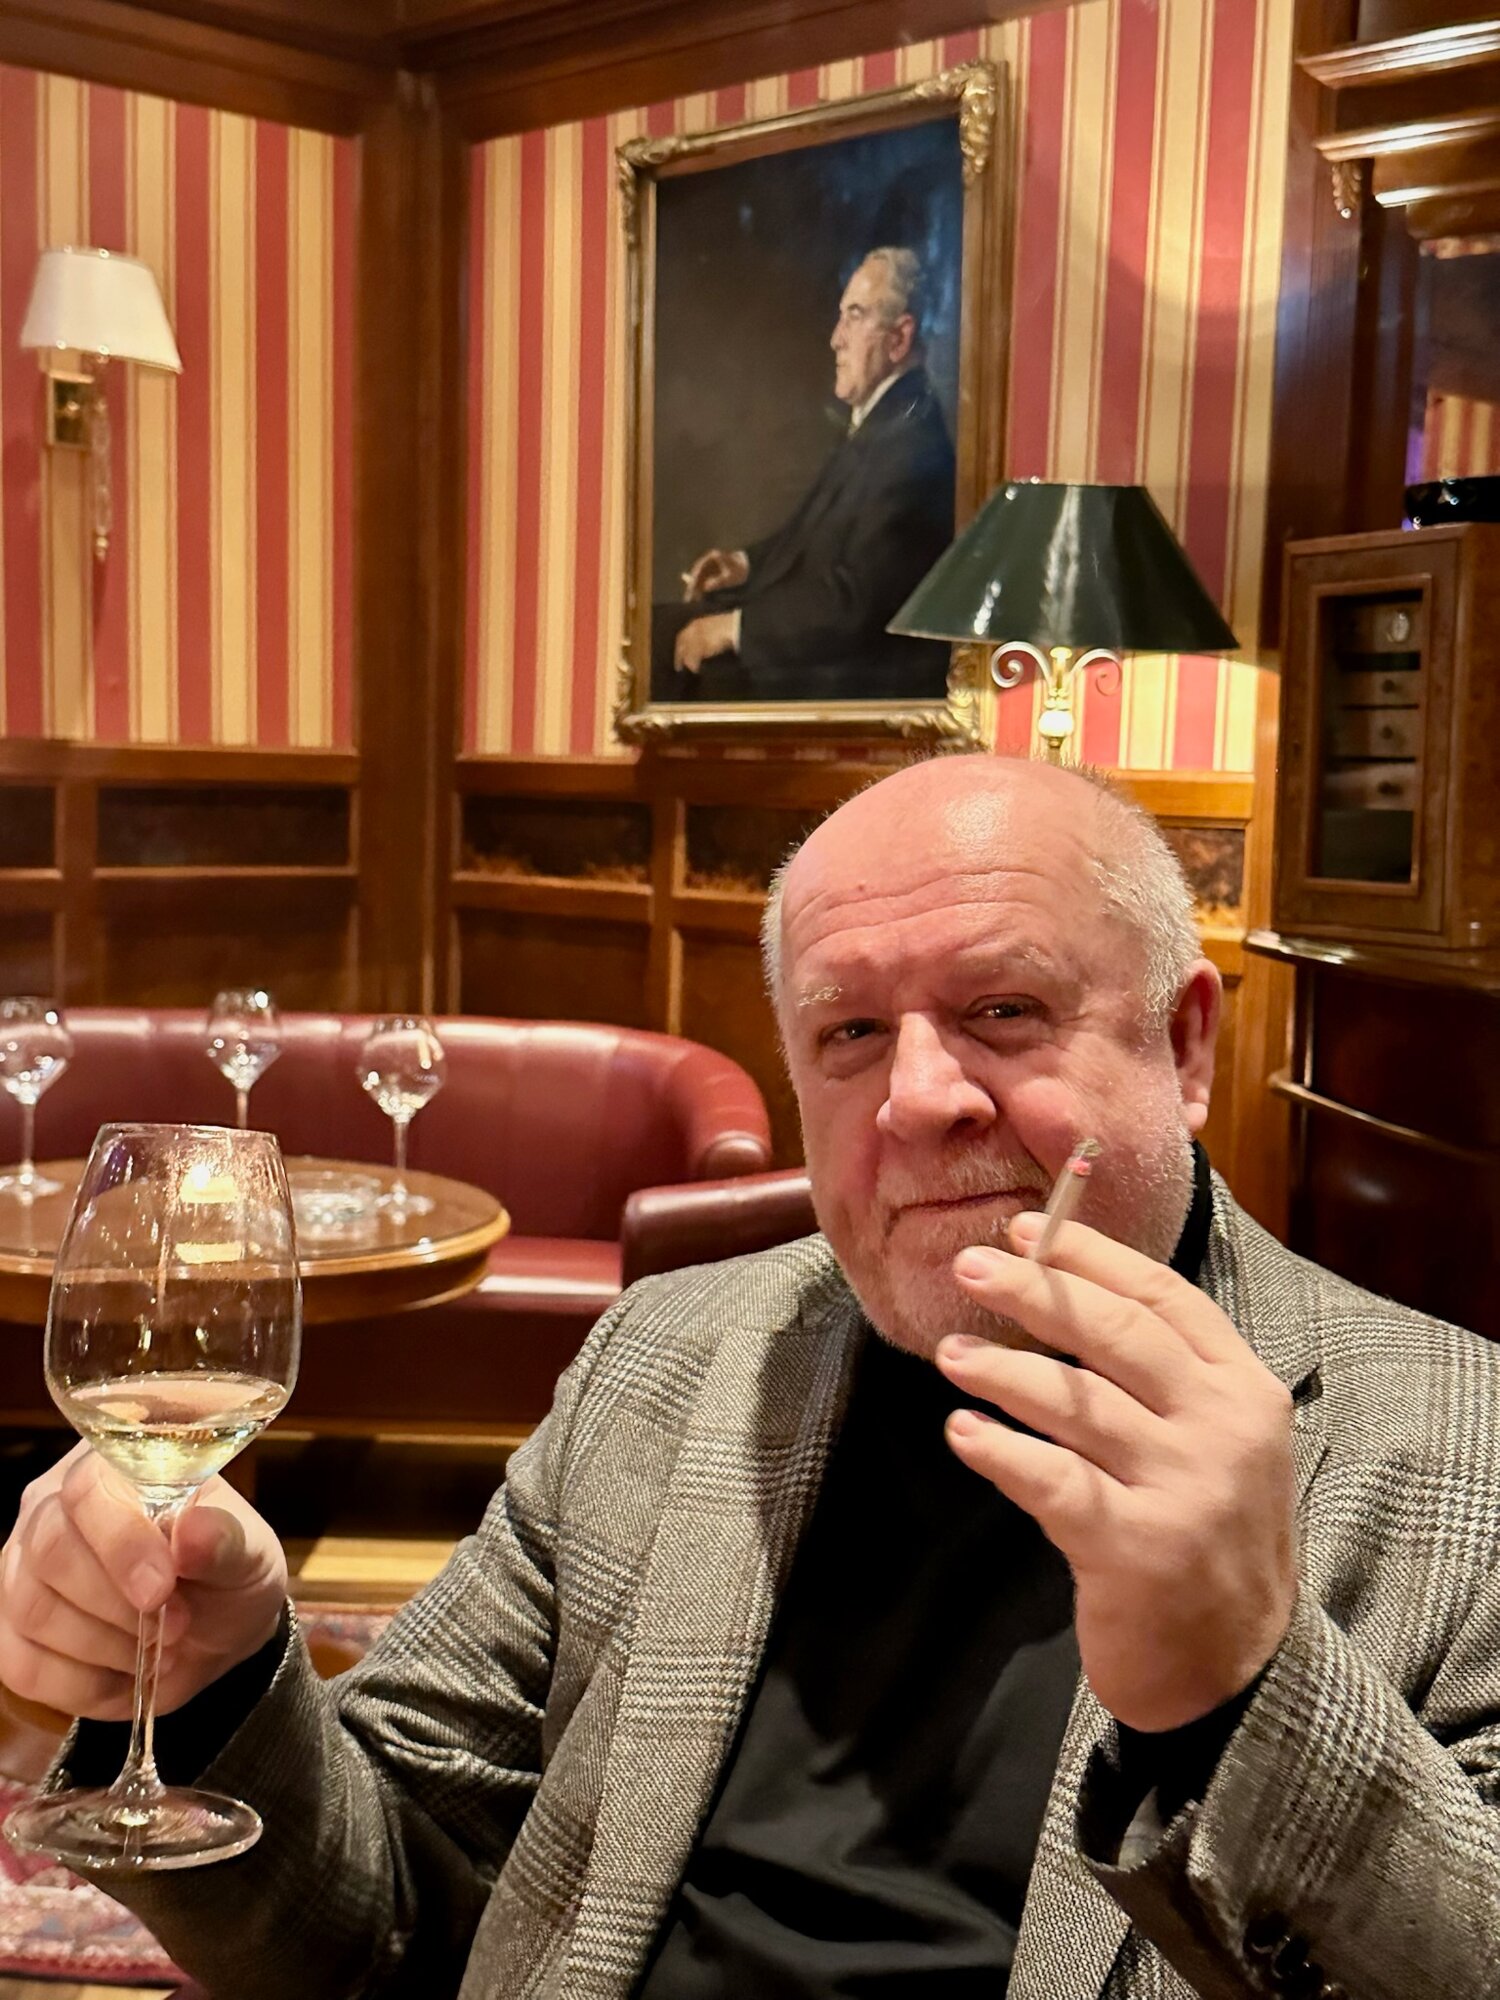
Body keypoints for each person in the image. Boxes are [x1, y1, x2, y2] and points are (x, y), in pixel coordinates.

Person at [4, 753, 1500, 2000]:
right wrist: (218, 1678)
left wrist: (1246, 1691)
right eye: (852, 1033)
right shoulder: (669, 1356)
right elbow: (381, 1917)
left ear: (1183, 1045)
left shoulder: (1464, 1445)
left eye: (1004, 1011)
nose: (919, 1097)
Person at [651, 247, 955, 705]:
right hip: (821, 653)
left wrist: (734, 628)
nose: (835, 339)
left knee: (656, 643)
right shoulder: (884, 423)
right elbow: (813, 538)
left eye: (855, 316)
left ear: (899, 338)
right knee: (656, 629)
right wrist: (744, 563)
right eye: (841, 316)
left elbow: (854, 603)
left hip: (847, 678)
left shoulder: (910, 445)